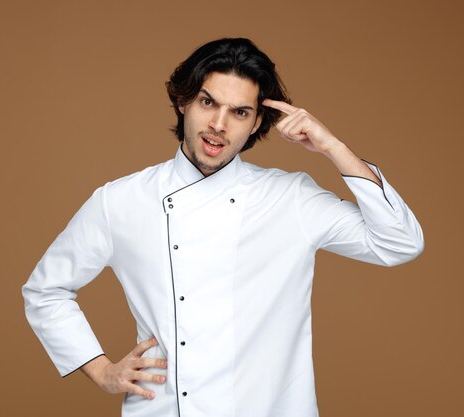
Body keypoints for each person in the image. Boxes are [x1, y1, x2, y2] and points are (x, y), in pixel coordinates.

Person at [22, 38, 424, 417]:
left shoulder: (290, 199)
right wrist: (102, 371)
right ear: (183, 102)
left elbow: (399, 242)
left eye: (239, 112)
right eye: (207, 102)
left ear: (257, 123)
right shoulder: (121, 201)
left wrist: (332, 146)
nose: (219, 124)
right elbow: (45, 290)